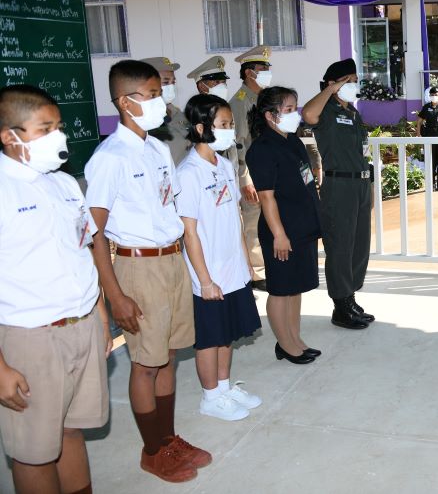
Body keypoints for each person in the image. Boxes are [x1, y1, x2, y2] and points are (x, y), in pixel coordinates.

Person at [85, 60, 210, 483]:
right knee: (145, 363)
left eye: (160, 93)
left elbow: (166, 205)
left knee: (168, 356)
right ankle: (153, 451)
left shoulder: (157, 148)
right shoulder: (109, 158)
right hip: (138, 267)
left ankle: (168, 438)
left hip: (171, 260)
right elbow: (95, 234)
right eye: (152, 94)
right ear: (125, 102)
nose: (162, 101)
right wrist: (115, 295)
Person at [0, 85, 111, 494]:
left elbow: (84, 250)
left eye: (58, 127)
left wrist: (100, 315)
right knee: (34, 451)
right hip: (32, 338)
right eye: (44, 129)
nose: (58, 136)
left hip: (82, 325)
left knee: (70, 431)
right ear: (9, 136)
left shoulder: (64, 183)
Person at [176, 94, 263, 421]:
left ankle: (224, 388)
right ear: (201, 128)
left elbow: (235, 218)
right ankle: (210, 397)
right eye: (223, 124)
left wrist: (246, 263)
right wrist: (205, 280)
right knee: (209, 338)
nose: (230, 130)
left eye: (231, 124)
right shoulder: (188, 173)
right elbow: (190, 232)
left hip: (232, 267)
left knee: (228, 333)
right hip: (208, 272)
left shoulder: (225, 166)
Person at [246, 87, 322, 363]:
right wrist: (279, 234)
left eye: (294, 108)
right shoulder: (262, 149)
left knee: (296, 286)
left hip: (302, 226)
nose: (295, 114)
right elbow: (267, 197)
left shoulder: (293, 142)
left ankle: (294, 339)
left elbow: (306, 181)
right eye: (288, 109)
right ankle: (285, 344)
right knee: (281, 289)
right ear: (270, 115)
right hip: (282, 230)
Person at [302, 58, 375, 330]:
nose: (354, 85)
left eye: (355, 80)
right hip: (339, 185)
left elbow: (362, 153)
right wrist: (330, 90)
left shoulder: (353, 113)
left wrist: (369, 185)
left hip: (360, 184)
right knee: (340, 246)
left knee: (359, 246)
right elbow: (307, 115)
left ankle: (350, 298)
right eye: (349, 80)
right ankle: (340, 305)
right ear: (333, 84)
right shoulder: (326, 110)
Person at [229, 45, 273, 292]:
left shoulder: (263, 99)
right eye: (262, 68)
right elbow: (238, 144)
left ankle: (269, 265)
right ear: (249, 73)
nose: (267, 72)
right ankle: (257, 273)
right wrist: (245, 179)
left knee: (269, 220)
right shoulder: (240, 103)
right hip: (252, 174)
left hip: (268, 170)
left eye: (268, 67)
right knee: (253, 223)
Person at [143, 57, 191, 165]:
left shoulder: (178, 114)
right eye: (165, 82)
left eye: (173, 82)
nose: (171, 86)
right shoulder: (142, 121)